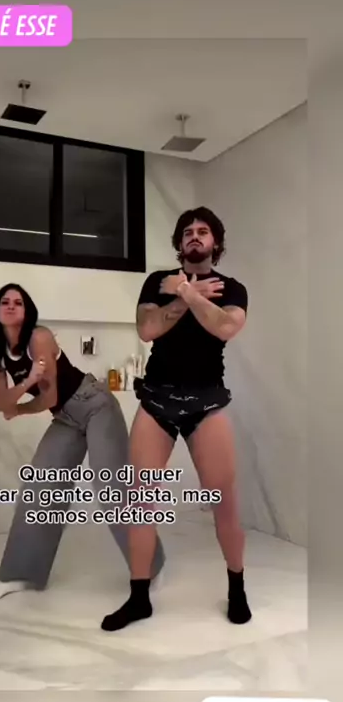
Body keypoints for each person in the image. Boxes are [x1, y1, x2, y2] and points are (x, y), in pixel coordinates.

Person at [101, 207, 252, 631]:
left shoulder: (232, 288)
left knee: (224, 501)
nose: (194, 236)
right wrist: (183, 295)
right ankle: (138, 599)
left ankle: (237, 589)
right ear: (179, 243)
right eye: (187, 232)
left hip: (207, 402)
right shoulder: (157, 281)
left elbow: (225, 328)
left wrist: (186, 291)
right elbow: (148, 329)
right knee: (140, 501)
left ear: (216, 242)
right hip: (157, 400)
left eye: (203, 231)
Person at [0, 283, 165, 603]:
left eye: (18, 302)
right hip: (66, 417)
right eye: (4, 301)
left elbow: (46, 398)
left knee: (110, 488)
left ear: (27, 311)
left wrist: (18, 407)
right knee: (39, 485)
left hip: (95, 404)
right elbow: (1, 402)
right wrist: (27, 383)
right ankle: (20, 574)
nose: (11, 306)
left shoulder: (39, 337)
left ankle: (150, 565)